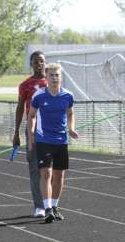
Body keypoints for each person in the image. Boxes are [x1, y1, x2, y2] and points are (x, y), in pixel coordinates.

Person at [27, 62, 78, 223]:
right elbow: (32, 116)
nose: (55, 78)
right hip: (44, 140)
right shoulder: (39, 96)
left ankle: (55, 206)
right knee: (46, 173)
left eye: (57, 75)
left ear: (60, 77)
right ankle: (47, 207)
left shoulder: (68, 96)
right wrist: (31, 136)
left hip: (61, 140)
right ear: (46, 78)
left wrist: (71, 128)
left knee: (59, 175)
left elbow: (70, 113)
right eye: (52, 75)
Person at [13, 51, 48, 217]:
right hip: (32, 129)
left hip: (51, 128)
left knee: (50, 168)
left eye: (42, 61)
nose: (39, 64)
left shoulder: (53, 82)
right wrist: (16, 132)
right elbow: (20, 108)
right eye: (36, 61)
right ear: (31, 64)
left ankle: (50, 204)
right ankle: (39, 206)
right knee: (35, 167)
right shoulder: (25, 85)